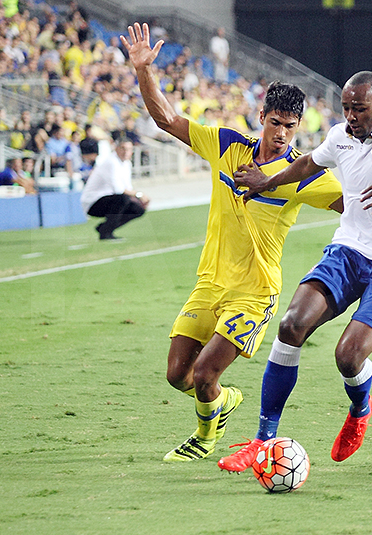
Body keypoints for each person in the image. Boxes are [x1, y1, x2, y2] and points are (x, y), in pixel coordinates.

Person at [121, 23, 343, 462]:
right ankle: (221, 403)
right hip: (210, 283)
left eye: (290, 127)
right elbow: (167, 119)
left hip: (255, 293)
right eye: (276, 123)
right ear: (262, 117)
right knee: (178, 376)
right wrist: (145, 71)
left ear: (299, 128)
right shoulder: (226, 144)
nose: (281, 133)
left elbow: (350, 205)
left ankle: (204, 438)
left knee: (205, 372)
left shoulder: (303, 174)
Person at [219, 70, 372, 472]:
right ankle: (262, 442)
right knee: (291, 324)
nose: (350, 115)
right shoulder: (340, 135)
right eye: (346, 107)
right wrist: (266, 182)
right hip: (349, 250)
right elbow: (308, 166)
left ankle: (360, 407)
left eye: (359, 109)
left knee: (348, 356)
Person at [80, 138, 148, 240]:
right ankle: (106, 233)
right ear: (116, 149)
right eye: (123, 148)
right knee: (123, 199)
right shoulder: (111, 162)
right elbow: (119, 189)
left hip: (110, 200)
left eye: (129, 149)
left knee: (138, 209)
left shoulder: (126, 164)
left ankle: (105, 228)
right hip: (94, 202)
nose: (126, 152)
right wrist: (139, 195)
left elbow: (127, 188)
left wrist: (138, 199)